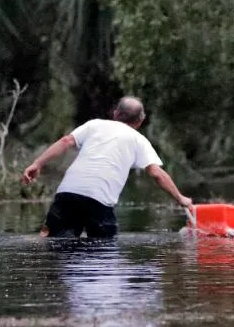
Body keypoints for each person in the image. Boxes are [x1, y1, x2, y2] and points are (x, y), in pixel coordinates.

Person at [22, 96, 193, 238]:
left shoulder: (94, 125)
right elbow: (156, 174)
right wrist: (180, 198)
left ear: (116, 113)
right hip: (99, 202)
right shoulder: (139, 140)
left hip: (67, 194)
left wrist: (37, 163)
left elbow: (66, 141)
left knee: (54, 245)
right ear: (140, 121)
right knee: (104, 253)